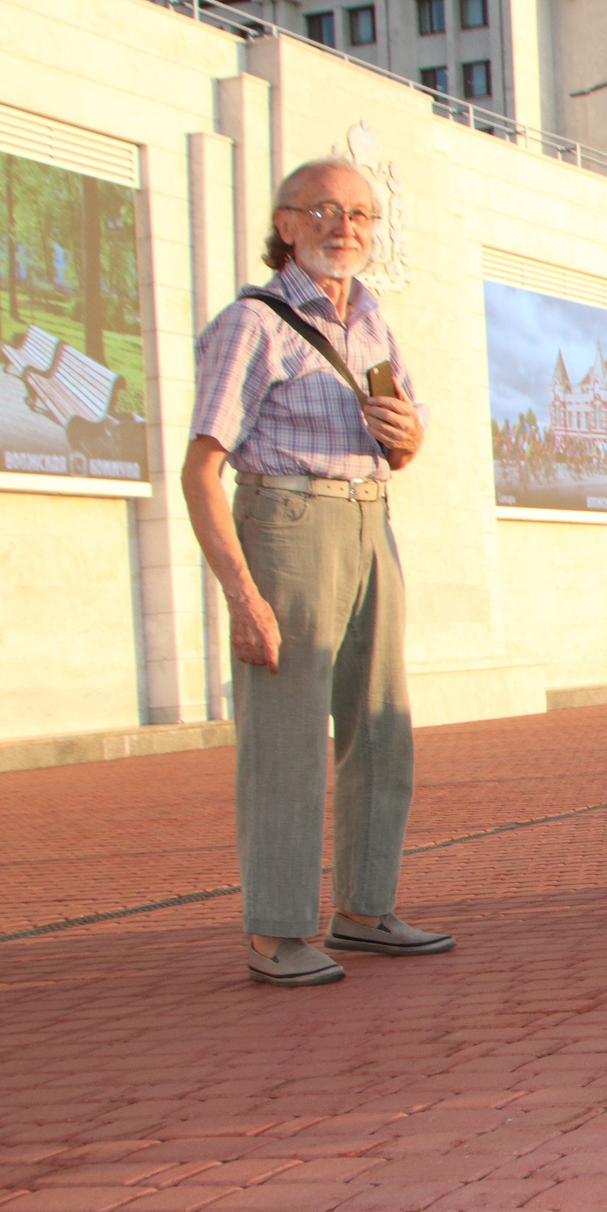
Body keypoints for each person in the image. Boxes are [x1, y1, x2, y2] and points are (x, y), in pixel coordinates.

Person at [183, 159, 443, 987]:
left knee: (380, 723)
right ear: (285, 224)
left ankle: (365, 909)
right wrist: (241, 593)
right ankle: (277, 929)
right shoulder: (250, 323)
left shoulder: (373, 324)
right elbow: (200, 469)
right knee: (288, 733)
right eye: (325, 210)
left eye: (362, 213)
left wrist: (404, 436)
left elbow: (404, 447)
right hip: (287, 521)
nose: (347, 227)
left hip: (371, 518)